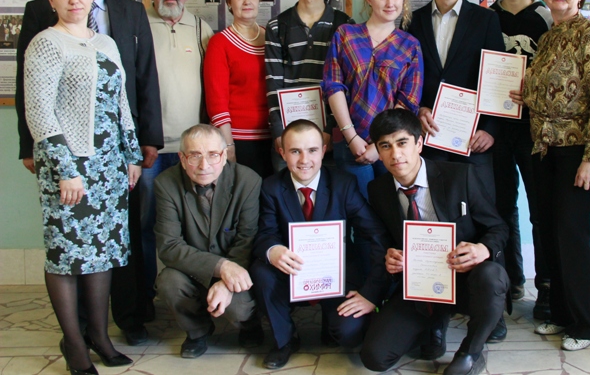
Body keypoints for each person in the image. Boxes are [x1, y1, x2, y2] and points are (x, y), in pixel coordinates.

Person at [16, 0, 162, 346]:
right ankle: (76, 347)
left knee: (104, 253)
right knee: (67, 254)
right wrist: (66, 170)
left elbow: (122, 104)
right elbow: (39, 112)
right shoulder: (46, 42)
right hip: (70, 167)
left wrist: (131, 157)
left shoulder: (105, 42)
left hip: (108, 167)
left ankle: (100, 338)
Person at [360, 109, 509, 375]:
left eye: (402, 143)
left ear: (419, 143)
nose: (395, 154)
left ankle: (470, 352)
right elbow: (384, 242)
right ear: (378, 152)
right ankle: (435, 319)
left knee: (491, 275)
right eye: (386, 146)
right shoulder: (378, 190)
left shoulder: (461, 175)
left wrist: (482, 249)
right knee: (375, 358)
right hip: (420, 284)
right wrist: (390, 257)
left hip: (466, 278)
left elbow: (498, 227)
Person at [520, 0, 590, 351]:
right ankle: (560, 313)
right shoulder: (548, 38)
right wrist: (524, 95)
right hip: (543, 149)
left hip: (576, 150)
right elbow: (548, 91)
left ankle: (586, 324)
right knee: (550, 234)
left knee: (572, 237)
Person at [250, 120, 391, 369]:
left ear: (324, 151)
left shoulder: (343, 183)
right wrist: (273, 250)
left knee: (348, 333)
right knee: (261, 271)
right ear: (282, 152)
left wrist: (371, 292)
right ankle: (285, 340)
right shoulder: (271, 187)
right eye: (295, 151)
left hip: (336, 272)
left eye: (312, 150)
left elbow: (375, 233)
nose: (305, 160)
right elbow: (265, 233)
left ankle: (330, 319)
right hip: (292, 270)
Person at [139, 0, 214, 315]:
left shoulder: (201, 29)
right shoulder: (136, 26)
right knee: (144, 224)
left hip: (192, 153)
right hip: (149, 150)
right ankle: (143, 302)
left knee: (194, 227)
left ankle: (193, 298)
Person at [154, 124, 263, 359]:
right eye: (195, 156)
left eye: (213, 155)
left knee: (239, 308)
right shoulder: (165, 183)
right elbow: (169, 246)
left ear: (224, 156)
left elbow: (247, 238)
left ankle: (250, 326)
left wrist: (226, 280)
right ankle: (197, 331)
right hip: (193, 270)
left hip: (238, 265)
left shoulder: (247, 180)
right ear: (182, 158)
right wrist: (221, 267)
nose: (204, 165)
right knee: (168, 282)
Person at [407, 0, 504, 201]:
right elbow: (406, 77)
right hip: (430, 134)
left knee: (481, 208)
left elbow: (497, 80)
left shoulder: (486, 19)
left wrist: (490, 130)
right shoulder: (412, 21)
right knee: (435, 207)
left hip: (474, 137)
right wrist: (418, 109)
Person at [490, 0, 553, 311]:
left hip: (536, 130)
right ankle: (509, 281)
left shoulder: (547, 17)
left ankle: (546, 287)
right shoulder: (485, 17)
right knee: (501, 208)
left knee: (541, 210)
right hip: (496, 129)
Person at [322, 0, 423, 198]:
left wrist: (380, 146)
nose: (390, 3)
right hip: (349, 142)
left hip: (392, 147)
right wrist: (351, 137)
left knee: (392, 209)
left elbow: (408, 100)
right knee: (358, 210)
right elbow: (333, 85)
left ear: (403, 0)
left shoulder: (410, 45)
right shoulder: (345, 35)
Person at [265, 0, 353, 172]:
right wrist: (279, 132)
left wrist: (331, 129)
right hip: (289, 135)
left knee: (331, 191)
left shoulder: (345, 25)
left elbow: (347, 83)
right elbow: (273, 83)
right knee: (287, 191)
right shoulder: (277, 26)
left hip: (330, 134)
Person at [204, 0, 272, 177]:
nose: (247, 2)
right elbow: (217, 101)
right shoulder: (220, 43)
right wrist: (228, 145)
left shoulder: (272, 38)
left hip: (275, 137)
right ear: (229, 3)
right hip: (239, 139)